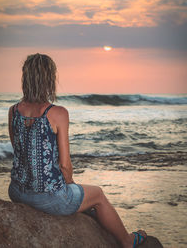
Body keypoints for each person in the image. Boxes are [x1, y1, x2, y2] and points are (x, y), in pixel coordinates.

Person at [8, 53, 147, 248]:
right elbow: (65, 165)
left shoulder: (13, 111)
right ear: (49, 78)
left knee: (78, 193)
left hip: (16, 191)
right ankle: (127, 241)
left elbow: (19, 152)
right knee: (97, 194)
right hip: (48, 198)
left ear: (26, 78)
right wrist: (69, 186)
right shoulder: (57, 113)